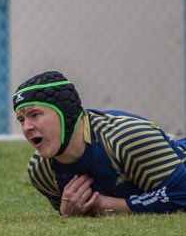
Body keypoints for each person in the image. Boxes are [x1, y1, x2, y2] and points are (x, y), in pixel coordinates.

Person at [13, 71, 186, 215]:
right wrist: (66, 213)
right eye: (21, 120)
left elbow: (181, 193)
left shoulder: (124, 137)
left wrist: (108, 206)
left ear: (65, 113)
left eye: (35, 115)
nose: (26, 127)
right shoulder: (41, 171)